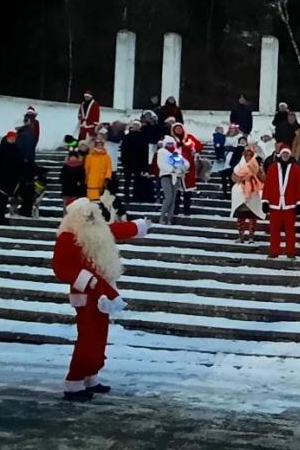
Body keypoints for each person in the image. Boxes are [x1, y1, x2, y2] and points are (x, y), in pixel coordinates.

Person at [52, 198, 149, 400]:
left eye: (92, 213)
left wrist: (139, 226)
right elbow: (61, 268)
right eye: (86, 215)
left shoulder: (98, 231)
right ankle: (74, 382)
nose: (91, 218)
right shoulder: (67, 238)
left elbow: (115, 230)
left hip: (103, 291)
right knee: (87, 339)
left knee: (99, 338)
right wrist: (87, 280)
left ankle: (90, 377)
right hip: (86, 294)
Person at [262, 144, 300, 258]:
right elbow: (268, 185)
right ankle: (274, 252)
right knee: (274, 230)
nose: (285, 155)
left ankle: (290, 252)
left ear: (289, 154)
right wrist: (265, 201)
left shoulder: (296, 168)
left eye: (287, 153)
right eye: (283, 153)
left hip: (290, 204)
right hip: (275, 204)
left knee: (290, 230)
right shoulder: (272, 167)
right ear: (280, 154)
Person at [230, 147, 266, 243]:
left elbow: (263, 178)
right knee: (240, 217)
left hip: (253, 193)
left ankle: (251, 236)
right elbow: (234, 177)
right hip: (240, 193)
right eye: (247, 155)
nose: (248, 157)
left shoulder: (257, 166)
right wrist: (242, 179)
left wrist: (256, 175)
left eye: (250, 155)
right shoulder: (239, 166)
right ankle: (240, 236)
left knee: (252, 217)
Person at [0, 131, 24, 225]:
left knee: (4, 200)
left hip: (12, 178)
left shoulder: (16, 149)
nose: (14, 139)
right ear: (8, 138)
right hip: (2, 178)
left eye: (15, 138)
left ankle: (1, 217)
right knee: (1, 199)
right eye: (12, 138)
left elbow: (20, 163)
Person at [157, 136, 187, 225]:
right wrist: (172, 169)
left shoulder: (175, 153)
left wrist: (179, 170)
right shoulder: (162, 152)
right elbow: (161, 164)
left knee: (173, 198)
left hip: (176, 177)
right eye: (168, 144)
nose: (170, 145)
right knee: (168, 197)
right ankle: (162, 217)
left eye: (171, 144)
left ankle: (170, 218)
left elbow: (180, 165)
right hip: (166, 176)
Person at [120, 120, 148, 201]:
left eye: (137, 125)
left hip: (139, 162)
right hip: (128, 161)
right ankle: (126, 195)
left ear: (140, 127)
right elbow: (123, 150)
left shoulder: (143, 137)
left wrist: (144, 165)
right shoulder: (127, 136)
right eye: (134, 125)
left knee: (137, 180)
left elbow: (145, 152)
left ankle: (136, 195)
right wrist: (123, 161)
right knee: (127, 179)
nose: (136, 126)